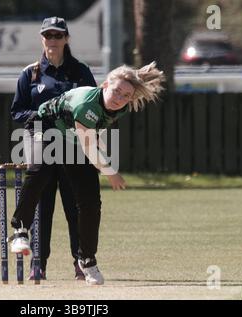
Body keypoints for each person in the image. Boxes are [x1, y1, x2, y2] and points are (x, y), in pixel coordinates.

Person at [9, 62, 165, 285]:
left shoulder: (120, 107)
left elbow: (93, 133)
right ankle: (19, 230)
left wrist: (103, 162)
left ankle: (87, 259)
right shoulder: (86, 104)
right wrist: (110, 171)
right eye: (116, 91)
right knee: (40, 171)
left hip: (72, 136)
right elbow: (89, 145)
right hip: (44, 126)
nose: (119, 98)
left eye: (125, 95)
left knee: (90, 201)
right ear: (104, 86)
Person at [10, 16, 97, 280]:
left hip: (71, 144)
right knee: (43, 205)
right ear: (42, 39)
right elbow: (17, 112)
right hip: (41, 143)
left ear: (66, 39)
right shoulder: (31, 73)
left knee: (74, 206)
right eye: (48, 36)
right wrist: (40, 115)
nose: (53, 41)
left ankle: (80, 261)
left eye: (58, 36)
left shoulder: (80, 72)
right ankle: (40, 263)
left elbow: (92, 106)